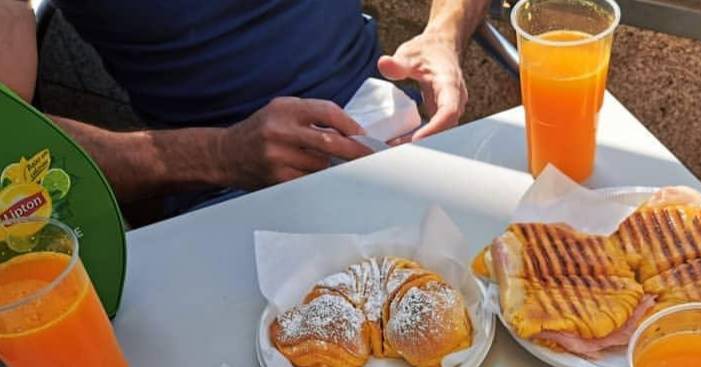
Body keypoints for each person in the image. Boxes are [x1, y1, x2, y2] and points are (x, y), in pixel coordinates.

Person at [0, 0, 488, 212]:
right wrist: (218, 154)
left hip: (397, 130)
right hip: (230, 193)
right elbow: (9, 145)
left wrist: (442, 36)